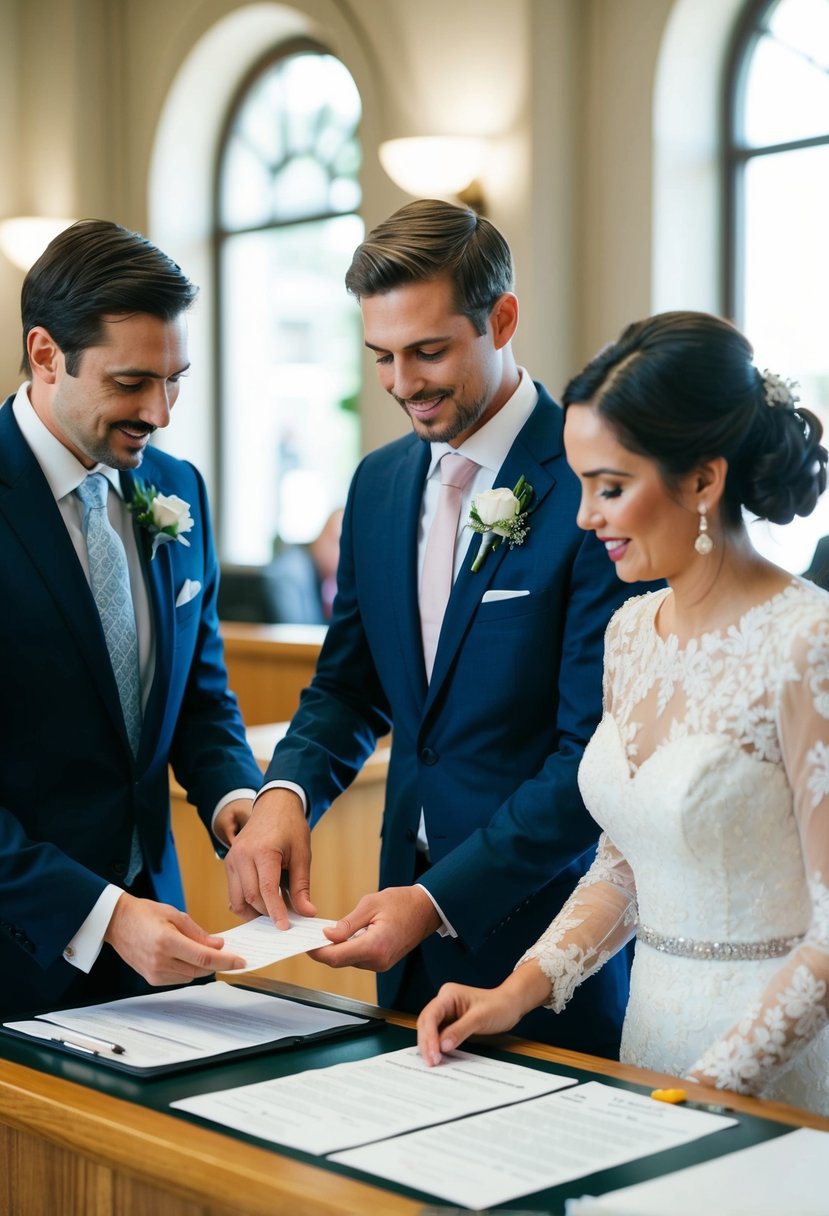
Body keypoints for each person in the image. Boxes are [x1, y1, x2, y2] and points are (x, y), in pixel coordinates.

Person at [225, 200, 654, 1056]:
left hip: (548, 943)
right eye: (380, 356)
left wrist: (435, 902)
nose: (402, 384)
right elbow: (349, 685)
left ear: (501, 319)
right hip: (403, 942)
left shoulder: (592, 484)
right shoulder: (378, 485)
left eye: (428, 351)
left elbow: (590, 760)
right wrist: (286, 793)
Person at [417, 310, 829, 1115]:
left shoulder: (806, 643)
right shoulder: (629, 632)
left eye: (609, 488)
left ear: (703, 481)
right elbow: (625, 864)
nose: (583, 517)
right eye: (579, 485)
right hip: (645, 1050)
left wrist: (716, 1083)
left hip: (769, 1073)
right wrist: (516, 991)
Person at [0, 220, 261, 1018]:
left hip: (160, 950)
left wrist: (236, 805)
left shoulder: (177, 486)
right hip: (17, 952)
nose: (161, 411)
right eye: (131, 383)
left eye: (175, 379)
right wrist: (103, 915)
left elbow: (200, 697)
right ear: (47, 355)